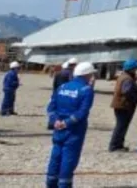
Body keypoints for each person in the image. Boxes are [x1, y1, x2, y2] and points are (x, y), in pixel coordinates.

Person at [46, 60, 96, 188]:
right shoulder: (86, 90)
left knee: (55, 157)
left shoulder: (62, 87)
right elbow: (82, 112)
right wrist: (66, 123)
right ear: (87, 75)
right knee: (69, 159)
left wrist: (55, 121)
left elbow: (51, 107)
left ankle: (51, 183)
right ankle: (64, 185)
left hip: (58, 128)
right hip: (74, 130)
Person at [109, 59, 137, 151]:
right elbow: (126, 91)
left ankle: (119, 144)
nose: (136, 70)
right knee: (121, 126)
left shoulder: (123, 76)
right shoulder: (128, 79)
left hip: (120, 105)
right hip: (123, 105)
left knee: (122, 125)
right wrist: (134, 97)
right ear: (131, 69)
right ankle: (114, 146)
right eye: (135, 68)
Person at [48, 59, 77, 129]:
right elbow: (71, 83)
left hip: (57, 92)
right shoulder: (70, 73)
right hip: (66, 93)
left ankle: (51, 123)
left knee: (55, 108)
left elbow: (54, 84)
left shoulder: (58, 73)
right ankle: (64, 123)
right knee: (64, 109)